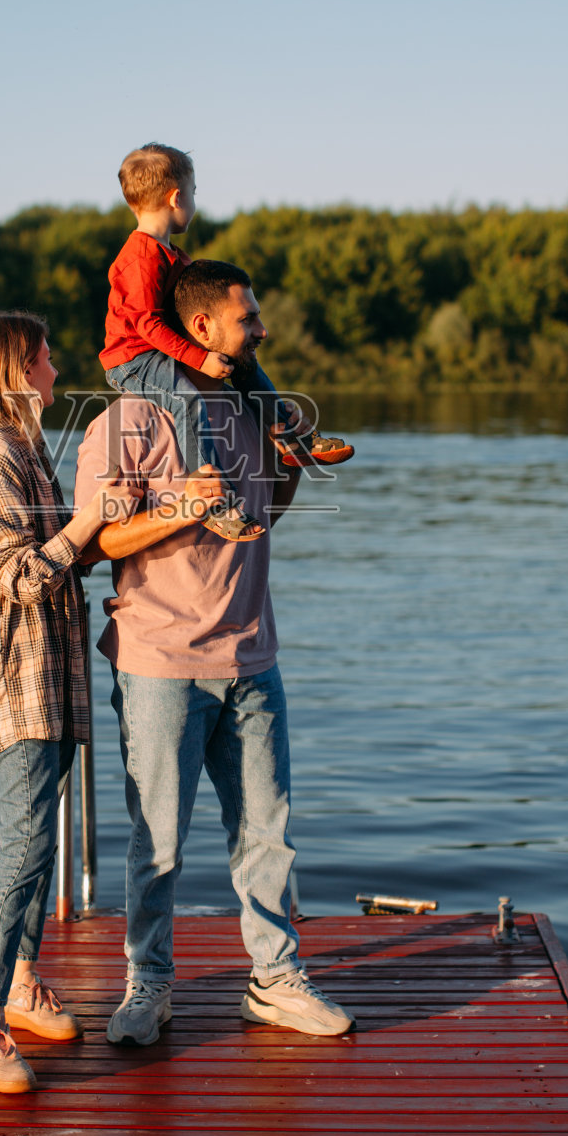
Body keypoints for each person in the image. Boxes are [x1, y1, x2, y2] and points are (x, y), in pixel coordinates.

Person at [75, 261, 355, 1046]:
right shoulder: (127, 418)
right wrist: (180, 509)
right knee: (156, 841)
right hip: (159, 661)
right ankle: (148, 985)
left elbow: (269, 512)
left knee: (267, 834)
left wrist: (289, 467)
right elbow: (95, 544)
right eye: (248, 318)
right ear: (200, 328)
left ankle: (274, 980)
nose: (261, 330)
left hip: (252, 656)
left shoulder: (247, 408)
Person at [0, 310, 138, 1092]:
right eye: (45, 356)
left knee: (40, 840)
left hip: (49, 675)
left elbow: (58, 558)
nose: (57, 367)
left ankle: (22, 984)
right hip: (13, 675)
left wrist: (110, 521)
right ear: (15, 372)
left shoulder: (27, 450)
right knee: (22, 846)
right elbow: (21, 575)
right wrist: (91, 519)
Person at [99, 143, 352, 543]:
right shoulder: (139, 257)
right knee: (189, 400)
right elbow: (146, 324)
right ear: (176, 196)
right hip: (133, 360)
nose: (195, 202)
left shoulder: (172, 254)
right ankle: (215, 502)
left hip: (163, 351)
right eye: (194, 192)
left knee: (245, 365)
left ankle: (290, 436)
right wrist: (199, 358)